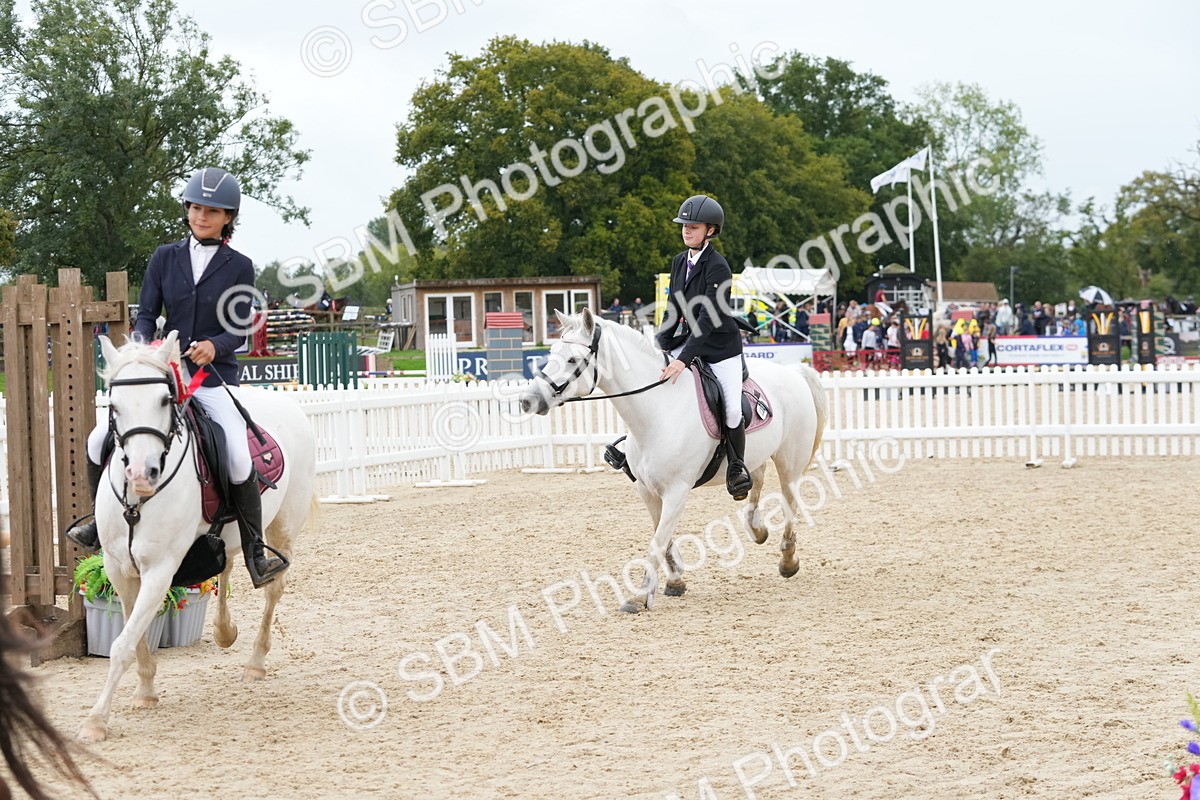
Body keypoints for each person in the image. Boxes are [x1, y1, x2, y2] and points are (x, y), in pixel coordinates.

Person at [67, 167, 288, 588]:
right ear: (187, 209)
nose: (201, 216)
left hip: (211, 378)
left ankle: (256, 551)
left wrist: (215, 347)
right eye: (196, 208)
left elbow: (239, 326)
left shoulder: (239, 265)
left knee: (239, 458)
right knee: (99, 439)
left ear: (228, 218)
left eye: (212, 211)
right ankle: (99, 524)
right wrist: (145, 349)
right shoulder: (164, 257)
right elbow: (147, 313)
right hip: (162, 376)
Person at [656, 194, 753, 500]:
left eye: (694, 226)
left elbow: (708, 319)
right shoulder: (678, 261)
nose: (686, 231)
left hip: (721, 347)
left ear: (710, 230)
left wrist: (683, 360)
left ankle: (737, 468)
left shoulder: (719, 267)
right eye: (684, 225)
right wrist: (661, 342)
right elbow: (674, 307)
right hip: (689, 340)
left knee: (732, 410)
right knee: (656, 387)